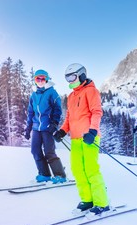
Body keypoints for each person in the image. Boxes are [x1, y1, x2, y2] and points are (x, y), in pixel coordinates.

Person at [53, 63, 110, 215]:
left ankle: (102, 203)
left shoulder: (92, 91)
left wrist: (93, 131)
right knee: (78, 170)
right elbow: (69, 118)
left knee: (91, 170)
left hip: (89, 137)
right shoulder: (71, 96)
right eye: (67, 78)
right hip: (76, 139)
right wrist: (62, 131)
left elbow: (97, 112)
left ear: (82, 75)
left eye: (72, 77)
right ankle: (88, 199)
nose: (70, 81)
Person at [25, 69, 67, 184]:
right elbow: (30, 112)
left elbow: (57, 110)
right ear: (34, 80)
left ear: (47, 79)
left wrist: (54, 123)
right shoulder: (33, 94)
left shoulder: (52, 92)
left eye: (43, 78)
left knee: (49, 152)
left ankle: (60, 175)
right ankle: (44, 174)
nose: (40, 81)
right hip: (36, 128)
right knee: (35, 151)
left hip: (48, 127)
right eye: (37, 78)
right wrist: (28, 128)